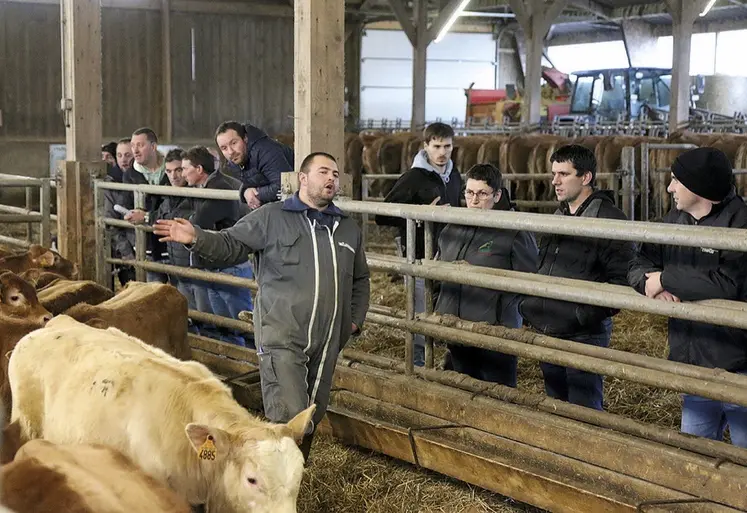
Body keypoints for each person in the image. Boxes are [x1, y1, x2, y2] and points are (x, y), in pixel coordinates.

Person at [153, 152, 370, 460]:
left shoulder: (347, 228)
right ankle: (273, 484)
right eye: (324, 172)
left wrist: (353, 320)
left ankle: (295, 472)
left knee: (311, 412)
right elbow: (231, 245)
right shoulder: (271, 216)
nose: (332, 179)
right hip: (282, 334)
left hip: (328, 339)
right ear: (303, 179)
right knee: (289, 412)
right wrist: (196, 238)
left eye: (335, 174)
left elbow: (360, 279)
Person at [628, 147, 747, 447]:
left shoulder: (741, 224)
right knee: (695, 453)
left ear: (699, 186)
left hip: (738, 365)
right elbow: (637, 262)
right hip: (692, 364)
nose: (669, 188)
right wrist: (648, 283)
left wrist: (667, 279)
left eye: (676, 180)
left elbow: (729, 283)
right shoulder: (674, 221)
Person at [519, 144, 634, 411]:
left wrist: (583, 315)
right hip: (549, 326)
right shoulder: (559, 216)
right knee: (556, 404)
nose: (555, 181)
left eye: (564, 174)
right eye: (553, 173)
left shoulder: (609, 220)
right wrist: (533, 307)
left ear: (586, 178)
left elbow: (621, 279)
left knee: (585, 408)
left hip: (583, 333)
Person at [436, 164, 538, 386]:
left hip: (494, 331)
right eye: (469, 193)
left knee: (498, 391)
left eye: (482, 193)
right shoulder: (453, 226)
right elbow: (437, 268)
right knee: (462, 387)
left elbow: (530, 277)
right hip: (456, 326)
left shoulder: (514, 230)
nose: (474, 200)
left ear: (497, 195)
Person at [374, 121, 462, 367]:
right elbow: (381, 214)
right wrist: (418, 212)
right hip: (419, 254)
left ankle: (444, 360)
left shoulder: (453, 176)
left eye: (447, 146)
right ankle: (419, 361)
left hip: (448, 255)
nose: (442, 152)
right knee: (421, 308)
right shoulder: (413, 177)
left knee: (444, 308)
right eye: (436, 146)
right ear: (426, 147)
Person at [123, 127, 170, 283]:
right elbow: (128, 204)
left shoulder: (171, 171)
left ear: (153, 146)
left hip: (174, 245)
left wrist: (146, 215)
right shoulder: (130, 175)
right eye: (133, 145)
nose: (134, 150)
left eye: (140, 145)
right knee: (153, 293)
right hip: (147, 246)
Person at [214, 121, 294, 210]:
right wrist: (245, 192)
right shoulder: (236, 160)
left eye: (234, 143)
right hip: (275, 206)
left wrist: (256, 194)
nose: (230, 151)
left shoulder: (265, 151)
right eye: (224, 148)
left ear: (245, 138)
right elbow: (254, 181)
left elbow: (285, 186)